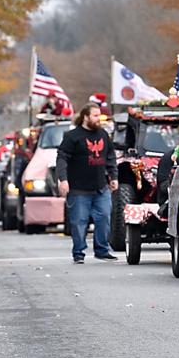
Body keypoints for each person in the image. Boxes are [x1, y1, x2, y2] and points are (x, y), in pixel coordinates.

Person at [56, 102, 119, 264]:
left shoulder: (103, 135)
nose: (99, 119)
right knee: (79, 222)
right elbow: (62, 158)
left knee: (104, 216)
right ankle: (78, 252)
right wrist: (63, 179)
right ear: (86, 117)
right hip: (78, 188)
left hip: (100, 187)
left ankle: (102, 250)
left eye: (100, 115)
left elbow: (110, 157)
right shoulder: (72, 136)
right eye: (96, 115)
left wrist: (114, 177)